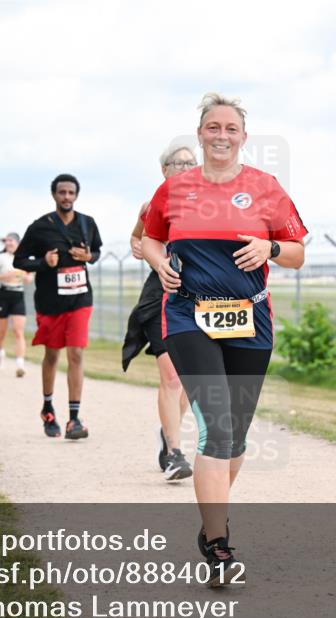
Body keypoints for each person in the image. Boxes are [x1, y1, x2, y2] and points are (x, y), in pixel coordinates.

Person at [142, 93, 307, 585]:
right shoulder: (174, 189)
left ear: (243, 137)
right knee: (215, 429)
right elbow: (150, 237)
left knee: (234, 439)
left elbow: (297, 252)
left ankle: (213, 516)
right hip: (189, 318)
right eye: (212, 127)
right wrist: (159, 262)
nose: (221, 135)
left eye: (230, 128)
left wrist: (270, 246)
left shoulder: (265, 187)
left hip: (250, 323)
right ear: (200, 134)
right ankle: (218, 546)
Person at [123, 142, 198, 482]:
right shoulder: (152, 205)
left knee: (189, 380)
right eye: (178, 163)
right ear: (164, 170)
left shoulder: (208, 206)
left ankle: (168, 433)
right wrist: (139, 247)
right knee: (171, 375)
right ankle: (174, 453)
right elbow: (137, 236)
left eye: (190, 163)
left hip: (199, 296)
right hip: (162, 295)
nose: (185, 168)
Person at [14, 174, 102, 440]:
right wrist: (43, 262)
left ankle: (74, 419)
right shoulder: (40, 227)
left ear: (77, 195)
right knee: (52, 355)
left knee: (76, 353)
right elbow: (19, 260)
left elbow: (96, 252)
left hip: (80, 299)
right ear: (54, 194)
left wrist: (88, 256)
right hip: (50, 302)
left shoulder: (87, 223)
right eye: (62, 192)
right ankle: (48, 407)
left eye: (71, 193)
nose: (66, 197)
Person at [0, 232, 33, 377]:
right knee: (2, 331)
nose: (8, 243)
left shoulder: (24, 258)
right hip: (3, 295)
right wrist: (6, 276)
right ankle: (0, 353)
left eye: (11, 241)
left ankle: (20, 364)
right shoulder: (0, 258)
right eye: (6, 241)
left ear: (18, 243)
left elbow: (29, 278)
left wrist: (25, 277)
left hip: (18, 295)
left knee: (18, 331)